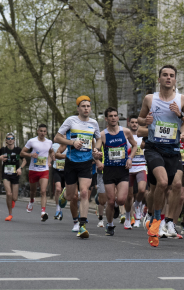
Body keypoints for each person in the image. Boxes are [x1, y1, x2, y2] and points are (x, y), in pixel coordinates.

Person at [137, 65, 184, 248]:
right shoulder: (150, 99)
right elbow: (139, 120)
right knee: (163, 183)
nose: (168, 78)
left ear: (175, 80)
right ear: (159, 78)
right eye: (165, 75)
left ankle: (170, 220)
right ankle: (156, 220)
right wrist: (145, 121)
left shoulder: (182, 99)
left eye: (172, 75)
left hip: (173, 149)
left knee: (177, 185)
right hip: (154, 148)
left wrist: (180, 115)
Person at [54, 96, 101, 239]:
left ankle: (82, 225)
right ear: (78, 108)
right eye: (83, 106)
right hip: (71, 162)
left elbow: (98, 139)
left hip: (86, 162)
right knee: (71, 196)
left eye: (88, 106)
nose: (86, 108)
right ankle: (64, 194)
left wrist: (96, 150)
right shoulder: (71, 121)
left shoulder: (94, 123)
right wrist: (71, 142)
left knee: (84, 193)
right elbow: (57, 138)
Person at [95, 107, 138, 236]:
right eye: (111, 116)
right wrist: (98, 160)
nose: (113, 118)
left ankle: (115, 210)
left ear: (118, 118)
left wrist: (130, 158)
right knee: (111, 200)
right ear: (106, 119)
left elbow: (135, 145)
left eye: (115, 115)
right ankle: (110, 225)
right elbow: (96, 150)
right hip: (108, 171)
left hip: (122, 170)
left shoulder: (126, 132)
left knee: (120, 200)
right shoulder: (102, 134)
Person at [21, 124, 55, 222]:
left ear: (46, 132)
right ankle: (31, 201)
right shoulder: (32, 141)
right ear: (37, 131)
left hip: (44, 170)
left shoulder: (49, 142)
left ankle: (43, 213)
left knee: (43, 191)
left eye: (44, 131)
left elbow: (51, 151)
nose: (42, 133)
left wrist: (51, 159)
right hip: (33, 170)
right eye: (41, 131)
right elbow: (22, 153)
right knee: (33, 191)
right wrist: (31, 154)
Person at [0, 133, 26, 221]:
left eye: (12, 138)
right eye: (8, 138)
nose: (10, 140)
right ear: (6, 140)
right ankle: (10, 214)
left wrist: (20, 168)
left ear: (14, 140)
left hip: (15, 174)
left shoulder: (18, 150)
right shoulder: (3, 150)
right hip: (5, 174)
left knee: (15, 198)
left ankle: (12, 201)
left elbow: (24, 161)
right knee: (9, 193)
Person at [127, 115, 147, 228]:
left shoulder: (143, 136)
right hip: (129, 168)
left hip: (141, 166)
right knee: (129, 196)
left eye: (136, 122)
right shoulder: (126, 136)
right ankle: (129, 217)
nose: (134, 124)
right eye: (133, 122)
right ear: (129, 123)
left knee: (142, 190)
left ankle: (138, 204)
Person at [51, 142, 67, 220]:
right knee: (58, 189)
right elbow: (50, 152)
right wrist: (50, 159)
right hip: (57, 170)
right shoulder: (54, 145)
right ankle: (58, 209)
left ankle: (61, 206)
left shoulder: (70, 145)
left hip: (67, 171)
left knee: (65, 191)